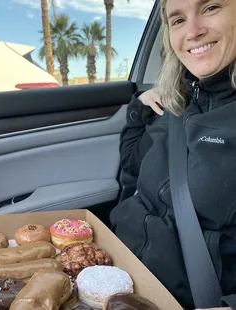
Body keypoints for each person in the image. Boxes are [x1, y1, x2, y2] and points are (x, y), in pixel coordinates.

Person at [110, 0, 236, 309]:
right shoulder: (176, 105)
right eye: (177, 20)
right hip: (118, 278)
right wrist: (140, 108)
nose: (193, 31)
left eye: (211, 7)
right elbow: (131, 170)